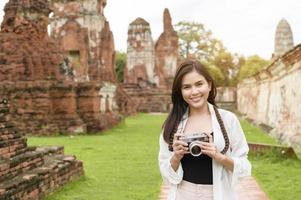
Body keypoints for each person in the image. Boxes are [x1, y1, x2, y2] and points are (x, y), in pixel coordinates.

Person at [158, 60, 251, 200]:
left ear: (209, 84)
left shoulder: (228, 120)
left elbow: (244, 167)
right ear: (180, 91)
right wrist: (176, 157)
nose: (194, 92)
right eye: (187, 87)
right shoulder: (173, 125)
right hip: (183, 194)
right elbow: (165, 173)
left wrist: (220, 157)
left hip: (218, 193)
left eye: (199, 84)